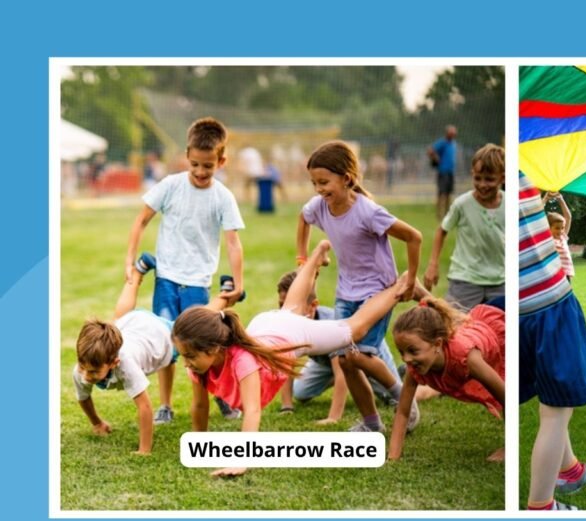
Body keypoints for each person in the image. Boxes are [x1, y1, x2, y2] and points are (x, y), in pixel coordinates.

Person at [172, 241, 406, 477]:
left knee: (355, 330)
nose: (186, 363)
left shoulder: (242, 361)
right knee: (291, 307)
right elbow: (200, 406)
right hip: (267, 326)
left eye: (190, 356)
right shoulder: (199, 366)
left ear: (213, 348)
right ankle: (317, 255)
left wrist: (241, 461)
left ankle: (400, 286)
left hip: (289, 334)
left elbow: (253, 411)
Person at [124, 117, 245, 424]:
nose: (201, 172)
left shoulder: (223, 197)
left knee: (204, 344)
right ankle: (165, 405)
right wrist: (130, 261)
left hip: (197, 283)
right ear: (186, 157)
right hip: (166, 279)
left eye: (208, 166)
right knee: (166, 341)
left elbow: (233, 243)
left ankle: (219, 396)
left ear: (221, 160)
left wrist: (238, 283)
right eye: (194, 164)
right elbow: (140, 221)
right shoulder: (170, 186)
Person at [298, 140, 422, 432]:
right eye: (314, 183)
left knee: (360, 355)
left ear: (347, 178)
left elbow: (414, 237)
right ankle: (371, 424)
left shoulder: (368, 212)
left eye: (324, 182)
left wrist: (412, 279)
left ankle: (405, 401)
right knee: (344, 359)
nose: (319, 189)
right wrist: (302, 257)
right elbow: (302, 219)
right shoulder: (320, 206)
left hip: (378, 291)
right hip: (346, 293)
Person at [520, 175, 586, 511]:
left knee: (553, 395)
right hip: (547, 303)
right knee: (556, 411)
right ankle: (542, 507)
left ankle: (570, 471)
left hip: (520, 307)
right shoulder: (516, 167)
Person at [388, 294, 505, 462]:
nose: (406, 359)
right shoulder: (414, 368)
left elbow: (506, 397)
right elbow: (403, 412)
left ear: (437, 344)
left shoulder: (467, 358)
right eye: (401, 352)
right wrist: (393, 457)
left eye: (412, 351)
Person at [273, 269, 403, 416]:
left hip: (364, 356)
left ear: (313, 306)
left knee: (396, 397)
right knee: (301, 392)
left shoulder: (330, 324)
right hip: (327, 363)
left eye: (293, 307)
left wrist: (333, 417)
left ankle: (427, 388)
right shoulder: (287, 325)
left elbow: (341, 370)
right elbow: (286, 363)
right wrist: (287, 407)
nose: (286, 312)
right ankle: (342, 377)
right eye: (282, 305)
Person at [72, 260, 167, 455]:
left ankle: (225, 297)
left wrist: (144, 450)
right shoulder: (82, 367)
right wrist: (97, 423)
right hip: (131, 324)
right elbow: (83, 396)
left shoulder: (126, 363)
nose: (86, 375)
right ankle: (138, 271)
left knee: (193, 327)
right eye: (83, 368)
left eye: (93, 372)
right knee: (118, 319)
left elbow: (145, 406)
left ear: (114, 363)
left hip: (159, 334)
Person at [424, 143, 505, 310]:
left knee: (500, 329)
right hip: (465, 279)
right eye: (477, 178)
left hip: (500, 281)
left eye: (489, 179)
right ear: (472, 174)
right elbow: (442, 230)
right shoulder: (462, 204)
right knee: (455, 326)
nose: (482, 184)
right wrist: (433, 265)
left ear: (503, 178)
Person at [427, 125, 458, 221]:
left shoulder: (454, 143)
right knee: (441, 194)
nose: (453, 134)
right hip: (443, 171)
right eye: (451, 132)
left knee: (448, 194)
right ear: (447, 133)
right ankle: (439, 214)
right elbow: (430, 150)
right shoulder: (442, 143)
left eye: (454, 132)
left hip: (450, 171)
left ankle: (447, 214)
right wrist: (436, 159)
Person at [543, 192, 574, 281]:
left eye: (562, 228)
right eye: (557, 228)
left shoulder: (563, 237)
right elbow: (537, 215)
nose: (560, 231)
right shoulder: (548, 238)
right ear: (549, 227)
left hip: (566, 274)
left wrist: (561, 200)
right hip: (553, 274)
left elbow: (568, 217)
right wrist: (545, 199)